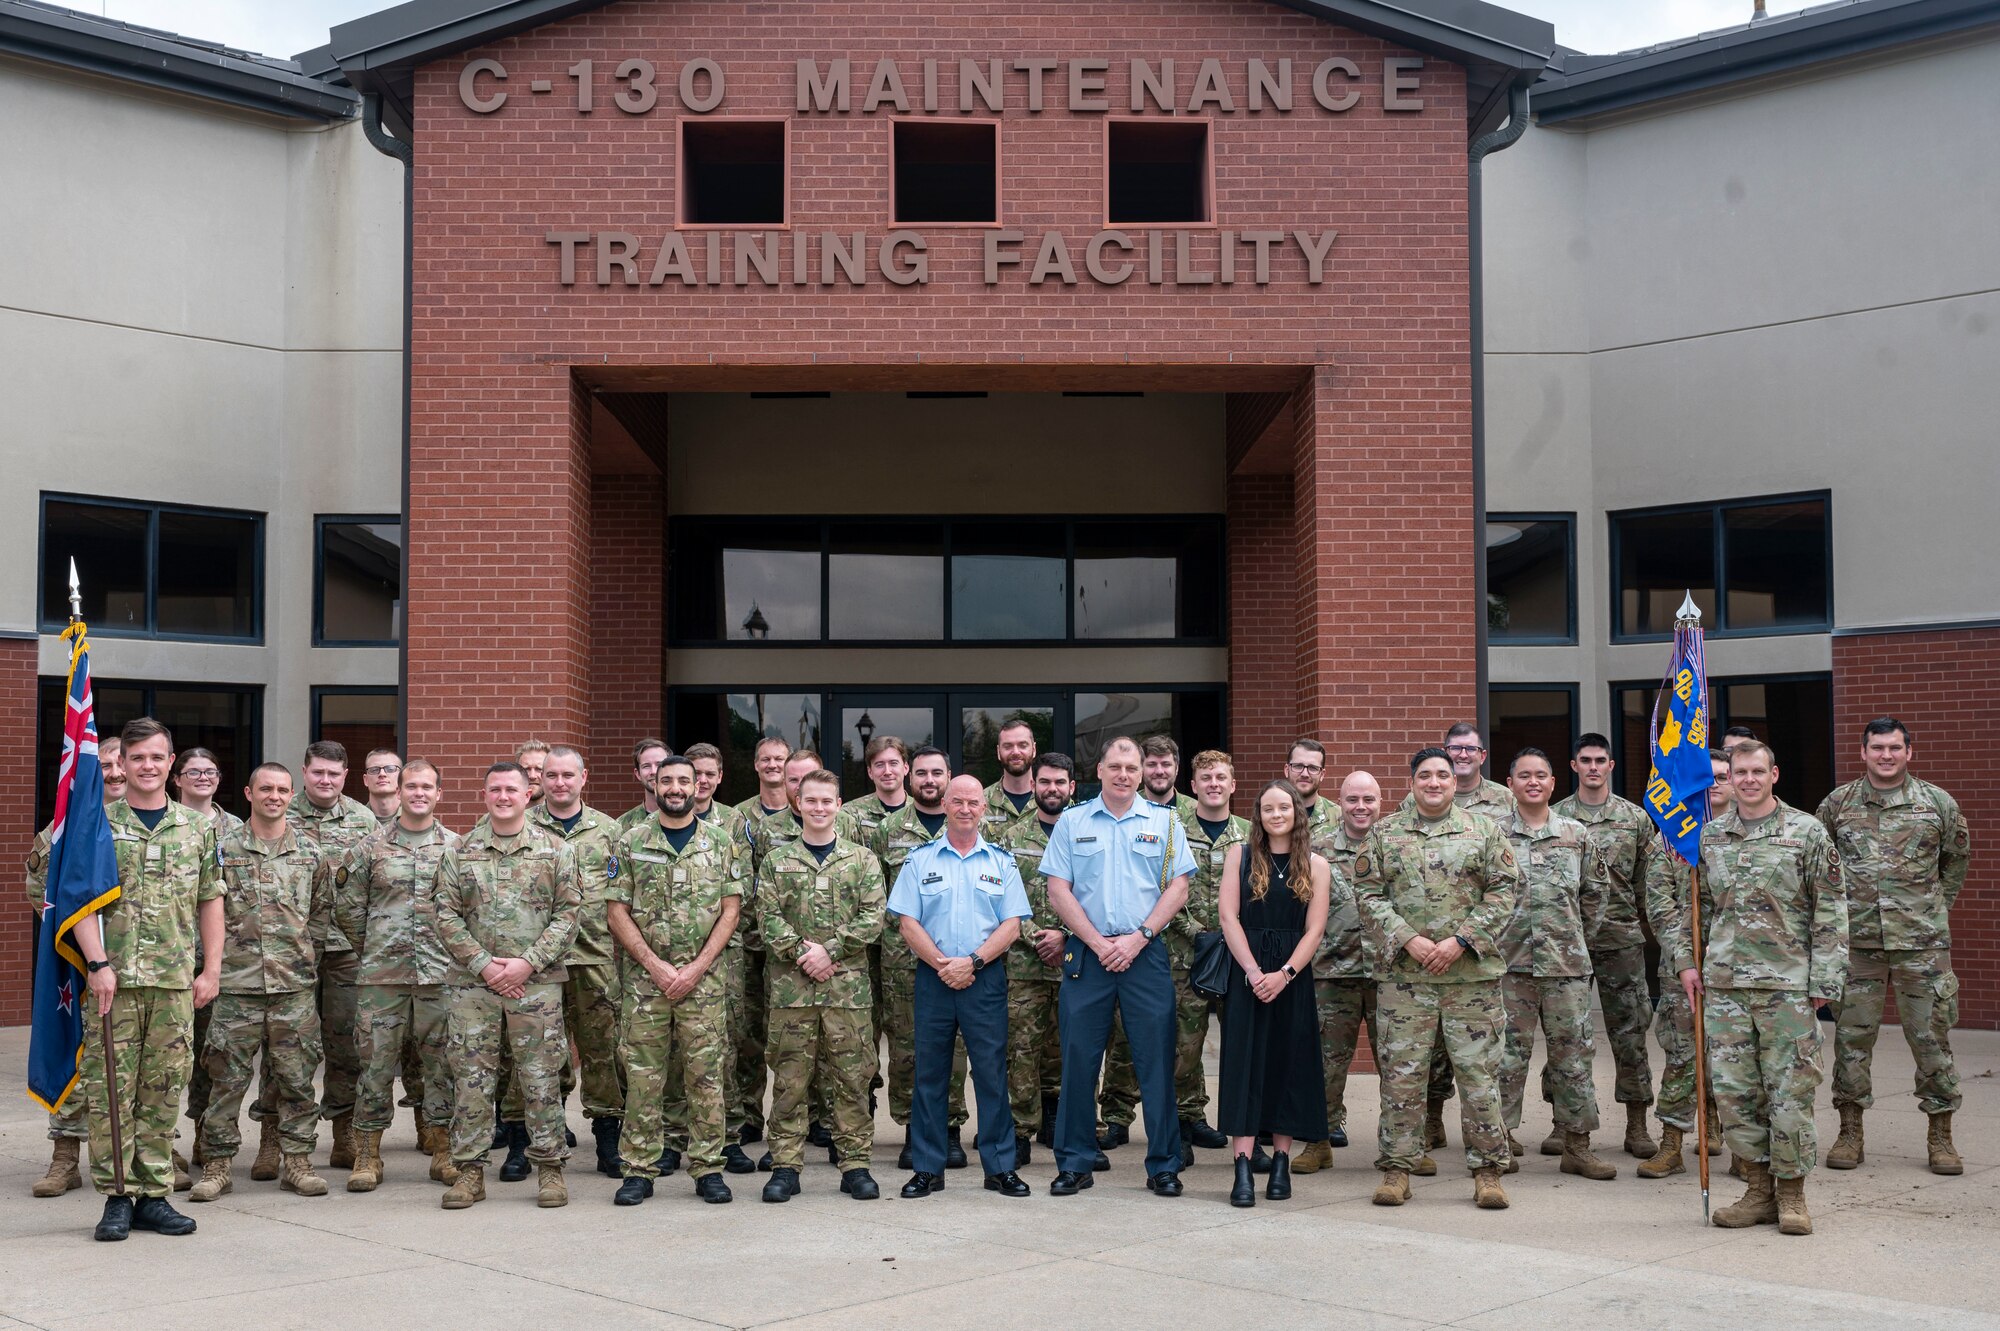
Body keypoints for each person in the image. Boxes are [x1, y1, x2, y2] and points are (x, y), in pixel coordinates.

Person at [1673, 741, 1846, 1235]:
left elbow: (1831, 909)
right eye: (1738, 772)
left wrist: (1825, 979)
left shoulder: (1807, 832)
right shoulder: (1709, 837)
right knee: (1734, 1094)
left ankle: (1791, 1194)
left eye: (1756, 771)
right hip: (1724, 988)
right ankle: (1757, 1190)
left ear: (1774, 773)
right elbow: (1696, 910)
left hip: (1786, 987)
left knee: (1790, 1092)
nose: (1747, 779)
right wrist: (1687, 962)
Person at [72, 717, 222, 1242]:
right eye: (137, 757)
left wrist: (211, 969)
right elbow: (79, 900)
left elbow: (210, 898)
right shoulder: (96, 823)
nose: (148, 766)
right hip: (113, 983)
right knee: (110, 1091)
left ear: (171, 761)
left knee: (162, 1090)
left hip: (174, 981)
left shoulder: (197, 827)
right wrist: (96, 964)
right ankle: (118, 1197)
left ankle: (154, 1195)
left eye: (158, 757)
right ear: (122, 764)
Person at [1353, 746, 1521, 1210]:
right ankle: (1397, 1169)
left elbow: (1505, 890)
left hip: (1471, 980)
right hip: (1405, 981)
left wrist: (1461, 941)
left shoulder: (1484, 831)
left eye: (1442, 775)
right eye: (1424, 775)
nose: (1433, 782)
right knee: (1403, 1078)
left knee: (1478, 1078)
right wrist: (1407, 938)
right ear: (1411, 782)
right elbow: (1366, 893)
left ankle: (1488, 1172)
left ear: (1455, 781)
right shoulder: (1386, 834)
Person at [1816, 718, 1971, 1175]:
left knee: (1931, 1041)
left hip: (1920, 946)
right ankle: (1850, 1133)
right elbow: (1822, 867)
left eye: (1895, 748)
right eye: (1878, 747)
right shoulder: (1837, 805)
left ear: (1909, 752)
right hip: (1856, 946)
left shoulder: (1937, 803)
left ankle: (1941, 1136)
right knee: (1851, 1041)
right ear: (1863, 753)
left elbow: (1955, 862)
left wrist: (1929, 910)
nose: (1886, 755)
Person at [1043, 736, 1195, 1198]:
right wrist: (1094, 940)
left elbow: (1178, 888)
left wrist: (1138, 938)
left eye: (1133, 767)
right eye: (1116, 766)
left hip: (1144, 954)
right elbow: (1058, 888)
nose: (1125, 774)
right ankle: (1075, 1162)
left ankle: (1164, 1165)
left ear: (1142, 772)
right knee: (1079, 1063)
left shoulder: (1167, 824)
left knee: (1155, 1064)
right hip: (1087, 956)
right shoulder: (1072, 821)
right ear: (1100, 770)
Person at [432, 761, 582, 1210]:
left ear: (527, 794)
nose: (502, 797)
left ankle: (550, 1171)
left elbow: (569, 914)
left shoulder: (554, 850)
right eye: (494, 789)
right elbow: (444, 913)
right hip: (472, 987)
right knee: (472, 1081)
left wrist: (525, 964)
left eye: (510, 790)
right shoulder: (460, 851)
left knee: (541, 1078)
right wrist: (484, 965)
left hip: (534, 986)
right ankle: (470, 1173)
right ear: (484, 795)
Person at [188, 763, 331, 1202]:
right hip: (235, 988)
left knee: (297, 1081)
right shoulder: (221, 849)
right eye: (265, 788)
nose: (274, 795)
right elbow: (201, 907)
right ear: (248, 793)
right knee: (224, 1081)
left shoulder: (310, 853)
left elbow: (322, 916)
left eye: (282, 789)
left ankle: (298, 1162)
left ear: (292, 795)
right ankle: (216, 1165)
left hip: (293, 989)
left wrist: (304, 963)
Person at [609, 755, 744, 1206]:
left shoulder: (721, 842)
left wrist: (697, 967)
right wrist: (656, 965)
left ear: (698, 786)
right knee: (644, 1077)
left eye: (683, 780)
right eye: (666, 780)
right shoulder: (630, 841)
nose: (675, 787)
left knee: (706, 1076)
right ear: (654, 784)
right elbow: (616, 911)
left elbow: (731, 910)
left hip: (703, 983)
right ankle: (638, 1169)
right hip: (646, 985)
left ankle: (708, 1167)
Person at [891, 775, 1034, 1198]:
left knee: (991, 1074)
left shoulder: (1001, 862)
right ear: (946, 805)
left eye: (974, 801)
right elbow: (906, 921)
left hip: (984, 977)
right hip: (934, 977)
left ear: (983, 808)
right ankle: (928, 1169)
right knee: (930, 1075)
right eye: (958, 801)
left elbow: (1012, 924)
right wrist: (942, 964)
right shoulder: (919, 860)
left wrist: (972, 962)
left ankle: (1000, 1168)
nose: (966, 808)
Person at [331, 758, 461, 1191]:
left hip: (441, 975)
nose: (419, 793)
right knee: (375, 1066)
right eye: (411, 786)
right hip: (381, 977)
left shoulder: (457, 848)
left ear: (439, 794)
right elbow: (347, 906)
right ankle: (368, 1155)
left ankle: (443, 1150)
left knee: (441, 1064)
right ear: (399, 792)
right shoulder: (369, 846)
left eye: (427, 786)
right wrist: (374, 947)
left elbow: (468, 912)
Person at [757, 768, 886, 1202]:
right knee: (791, 1082)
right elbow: (767, 918)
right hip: (792, 994)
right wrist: (803, 953)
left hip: (847, 994)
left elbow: (873, 917)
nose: (818, 808)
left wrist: (829, 951)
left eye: (827, 801)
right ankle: (786, 1167)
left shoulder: (861, 859)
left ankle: (855, 1165)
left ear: (838, 804)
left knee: (851, 1081)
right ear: (798, 804)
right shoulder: (777, 861)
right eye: (810, 800)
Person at [1494, 749, 1617, 1181]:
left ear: (1551, 784)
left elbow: (1596, 893)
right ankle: (1500, 1141)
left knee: (1573, 1057)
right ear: (1509, 783)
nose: (1533, 781)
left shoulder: (1576, 834)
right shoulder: (1492, 836)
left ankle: (1577, 1144)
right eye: (1523, 775)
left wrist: (1573, 935)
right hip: (1507, 967)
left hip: (1565, 967)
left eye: (1541, 775)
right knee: (1506, 1058)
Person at [1217, 780, 1330, 1207]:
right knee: (1244, 1067)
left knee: (1288, 1066)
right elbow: (1228, 917)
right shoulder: (1239, 856)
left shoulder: (1316, 865)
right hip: (1246, 973)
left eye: (1284, 807)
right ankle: (1242, 1167)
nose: (1277, 814)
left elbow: (1314, 929)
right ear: (1258, 815)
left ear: (1297, 813)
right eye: (1268, 808)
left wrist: (1283, 974)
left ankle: (1281, 1162)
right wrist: (1251, 971)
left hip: (1291, 975)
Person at [1551, 733, 1662, 1161]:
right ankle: (1566, 1124)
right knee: (1567, 1036)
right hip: (1567, 944)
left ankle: (1637, 1124)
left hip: (1620, 941)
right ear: (1574, 766)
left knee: (1630, 1033)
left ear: (1612, 766)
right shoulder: (1556, 817)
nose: (1593, 767)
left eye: (1601, 760)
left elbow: (1646, 885)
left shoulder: (1634, 819)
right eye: (1586, 760)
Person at [24, 735, 122, 1198]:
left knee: (137, 1063)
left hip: (141, 967)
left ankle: (145, 1152)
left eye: (123, 763)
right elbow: (41, 893)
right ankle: (66, 1156)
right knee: (75, 1055)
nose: (117, 772)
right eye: (106, 764)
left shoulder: (151, 823)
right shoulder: (62, 832)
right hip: (79, 968)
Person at [523, 745, 627, 1180]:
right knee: (541, 1053)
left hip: (594, 956)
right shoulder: (521, 826)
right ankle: (537, 1139)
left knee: (602, 1051)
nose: (560, 783)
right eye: (552, 775)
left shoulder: (609, 831)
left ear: (584, 778)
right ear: (540, 780)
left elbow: (625, 895)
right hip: (537, 963)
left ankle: (607, 1141)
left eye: (568, 775)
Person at [284, 740, 379, 1174]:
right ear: (304, 771)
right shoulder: (280, 812)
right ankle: (277, 1138)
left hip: (345, 949)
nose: (326, 781)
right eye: (318, 772)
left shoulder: (364, 820)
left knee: (346, 1045)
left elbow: (371, 884)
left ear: (345, 777)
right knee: (288, 1047)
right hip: (290, 949)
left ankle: (344, 1133)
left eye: (334, 774)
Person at [874, 746, 970, 1169]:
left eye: (938, 773)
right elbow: (876, 897)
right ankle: (914, 1130)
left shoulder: (970, 829)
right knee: (908, 1051)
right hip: (903, 964)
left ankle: (949, 1130)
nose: (929, 780)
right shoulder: (887, 830)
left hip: (960, 961)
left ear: (949, 777)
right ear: (910, 778)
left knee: (955, 1049)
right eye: (922, 774)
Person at [1639, 750, 1728, 1178]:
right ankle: (1672, 1141)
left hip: (1737, 968)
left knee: (1735, 1057)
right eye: (1706, 777)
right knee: (1681, 1055)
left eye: (1723, 776)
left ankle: (1742, 1143)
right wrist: (1684, 961)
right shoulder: (1670, 838)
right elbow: (1660, 907)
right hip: (1682, 970)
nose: (1715, 784)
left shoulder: (1749, 834)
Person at [1296, 769, 1381, 1172]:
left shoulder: (1394, 844)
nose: (1361, 807)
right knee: (1325, 1063)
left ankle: (1401, 1146)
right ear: (1340, 802)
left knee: (1399, 1064)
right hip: (1331, 972)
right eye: (1352, 800)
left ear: (1380, 803)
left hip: (1387, 974)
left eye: (1369, 800)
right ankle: (1319, 1140)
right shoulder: (1316, 849)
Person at [1000, 752, 1075, 1164]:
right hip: (1024, 967)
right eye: (1045, 782)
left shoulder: (1086, 834)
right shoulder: (1011, 838)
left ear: (1071, 788)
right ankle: (1020, 1134)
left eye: (1060, 782)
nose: (1052, 789)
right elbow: (1002, 899)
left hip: (1076, 961)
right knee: (1022, 1051)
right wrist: (1037, 938)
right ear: (1033, 786)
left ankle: (1067, 1130)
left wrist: (1064, 936)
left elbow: (1098, 894)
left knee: (1072, 1049)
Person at [1171, 751, 1247, 1154]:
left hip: (1240, 961)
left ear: (1233, 785)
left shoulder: (1253, 835)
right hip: (1184, 958)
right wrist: (1200, 934)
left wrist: (1234, 938)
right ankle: (1186, 1122)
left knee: (1242, 1046)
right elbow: (1162, 890)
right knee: (1184, 1046)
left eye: (1221, 777)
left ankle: (1247, 1130)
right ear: (1194, 786)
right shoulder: (1173, 832)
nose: (1214, 783)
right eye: (1206, 778)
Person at [983, 718, 1038, 832]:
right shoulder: (980, 802)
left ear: (1034, 749)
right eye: (1008, 746)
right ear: (998, 752)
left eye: (1023, 745)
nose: (1016, 752)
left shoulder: (1052, 800)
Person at [1285, 739, 1340, 844]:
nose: (1305, 774)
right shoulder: (1272, 815)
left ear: (1322, 774)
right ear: (1287, 770)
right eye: (1298, 766)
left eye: (1313, 768)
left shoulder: (1339, 818)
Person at [617, 738, 668, 831]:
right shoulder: (621, 825)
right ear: (638, 774)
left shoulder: (692, 819)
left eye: (659, 764)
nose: (653, 771)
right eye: (646, 766)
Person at [360, 749, 403, 823]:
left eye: (390, 769)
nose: (382, 774)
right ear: (366, 780)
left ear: (401, 777)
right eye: (374, 770)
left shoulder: (415, 818)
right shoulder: (353, 818)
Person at [514, 738, 550, 804]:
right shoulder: (501, 814)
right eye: (526, 769)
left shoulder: (563, 813)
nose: (532, 776)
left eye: (539, 769)